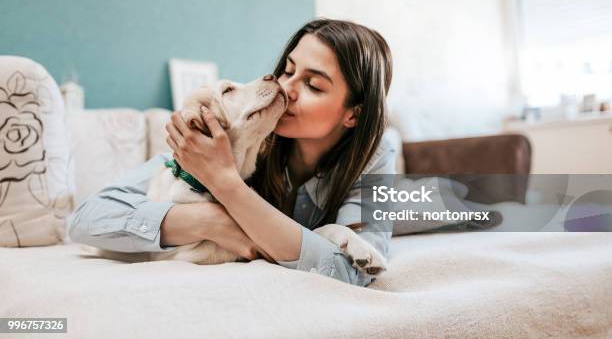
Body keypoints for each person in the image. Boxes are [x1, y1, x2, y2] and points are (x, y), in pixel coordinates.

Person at [67, 18, 396, 287]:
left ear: (353, 113)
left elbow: (352, 270)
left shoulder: (376, 153)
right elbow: (86, 220)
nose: (287, 87)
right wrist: (210, 220)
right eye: (288, 70)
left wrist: (227, 184)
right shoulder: (242, 136)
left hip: (404, 203)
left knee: (441, 201)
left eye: (313, 85)